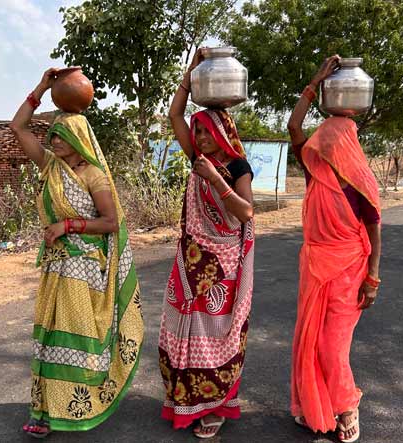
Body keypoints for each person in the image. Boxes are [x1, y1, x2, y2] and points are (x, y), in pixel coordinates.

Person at [9, 68, 144, 438]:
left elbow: (111, 222)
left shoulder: (92, 176)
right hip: (56, 266)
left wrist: (66, 226)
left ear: (78, 138)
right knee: (50, 336)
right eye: (52, 135)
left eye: (60, 135)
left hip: (83, 268)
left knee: (71, 337)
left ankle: (75, 405)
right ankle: (45, 409)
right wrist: (41, 87)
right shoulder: (52, 167)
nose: (52, 140)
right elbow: (18, 127)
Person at [159, 50, 255, 439]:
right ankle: (185, 401)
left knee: (216, 334)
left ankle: (213, 406)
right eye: (197, 131)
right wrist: (190, 73)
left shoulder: (236, 167)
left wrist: (216, 179)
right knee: (180, 329)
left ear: (221, 134)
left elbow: (245, 212)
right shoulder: (197, 158)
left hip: (222, 266)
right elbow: (174, 116)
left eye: (205, 131)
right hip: (190, 261)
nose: (198, 137)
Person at [287, 55, 383, 443]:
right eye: (321, 140)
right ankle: (316, 407)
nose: (322, 145)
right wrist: (314, 82)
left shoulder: (360, 181)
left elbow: (375, 231)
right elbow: (294, 125)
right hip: (315, 265)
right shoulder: (315, 172)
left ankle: (346, 407)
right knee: (308, 339)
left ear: (346, 143)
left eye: (329, 140)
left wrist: (373, 278)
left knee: (331, 344)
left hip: (349, 270)